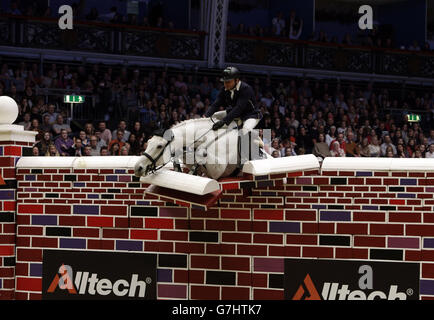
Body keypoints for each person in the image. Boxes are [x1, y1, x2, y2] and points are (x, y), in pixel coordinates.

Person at [204, 66, 262, 164]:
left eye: (228, 82)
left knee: (244, 131)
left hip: (250, 115)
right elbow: (216, 104)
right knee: (215, 116)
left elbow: (239, 108)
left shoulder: (246, 89)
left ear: (237, 80)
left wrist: (223, 122)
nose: (225, 84)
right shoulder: (225, 89)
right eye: (224, 82)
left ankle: (245, 160)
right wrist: (206, 117)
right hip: (235, 113)